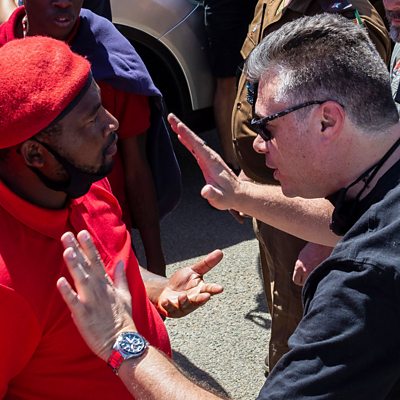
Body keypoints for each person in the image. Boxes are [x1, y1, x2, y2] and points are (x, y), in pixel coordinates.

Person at [59, 13, 400, 398]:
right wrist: (238, 193)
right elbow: (346, 223)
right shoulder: (381, 181)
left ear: (327, 121)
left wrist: (120, 339)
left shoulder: (361, 286)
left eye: (268, 127)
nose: (258, 144)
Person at [0, 36, 223, 398]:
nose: (113, 122)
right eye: (92, 119)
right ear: (35, 154)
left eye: (101, 106)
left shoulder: (83, 180)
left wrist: (159, 288)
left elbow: (112, 264)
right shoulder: (6, 287)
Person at [230, 0, 391, 371]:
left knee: (303, 315)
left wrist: (328, 236)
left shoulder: (345, 11)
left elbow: (362, 134)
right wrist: (251, 170)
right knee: (280, 297)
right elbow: (255, 90)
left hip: (317, 202)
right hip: (278, 182)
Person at [0, 0, 180, 277]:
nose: (64, 2)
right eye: (91, 116)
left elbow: (136, 169)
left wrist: (156, 266)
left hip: (107, 236)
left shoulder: (111, 59)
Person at [204, 0, 257, 170]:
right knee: (226, 80)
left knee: (263, 73)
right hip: (225, 6)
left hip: (262, 5)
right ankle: (232, 161)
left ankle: (262, 151)